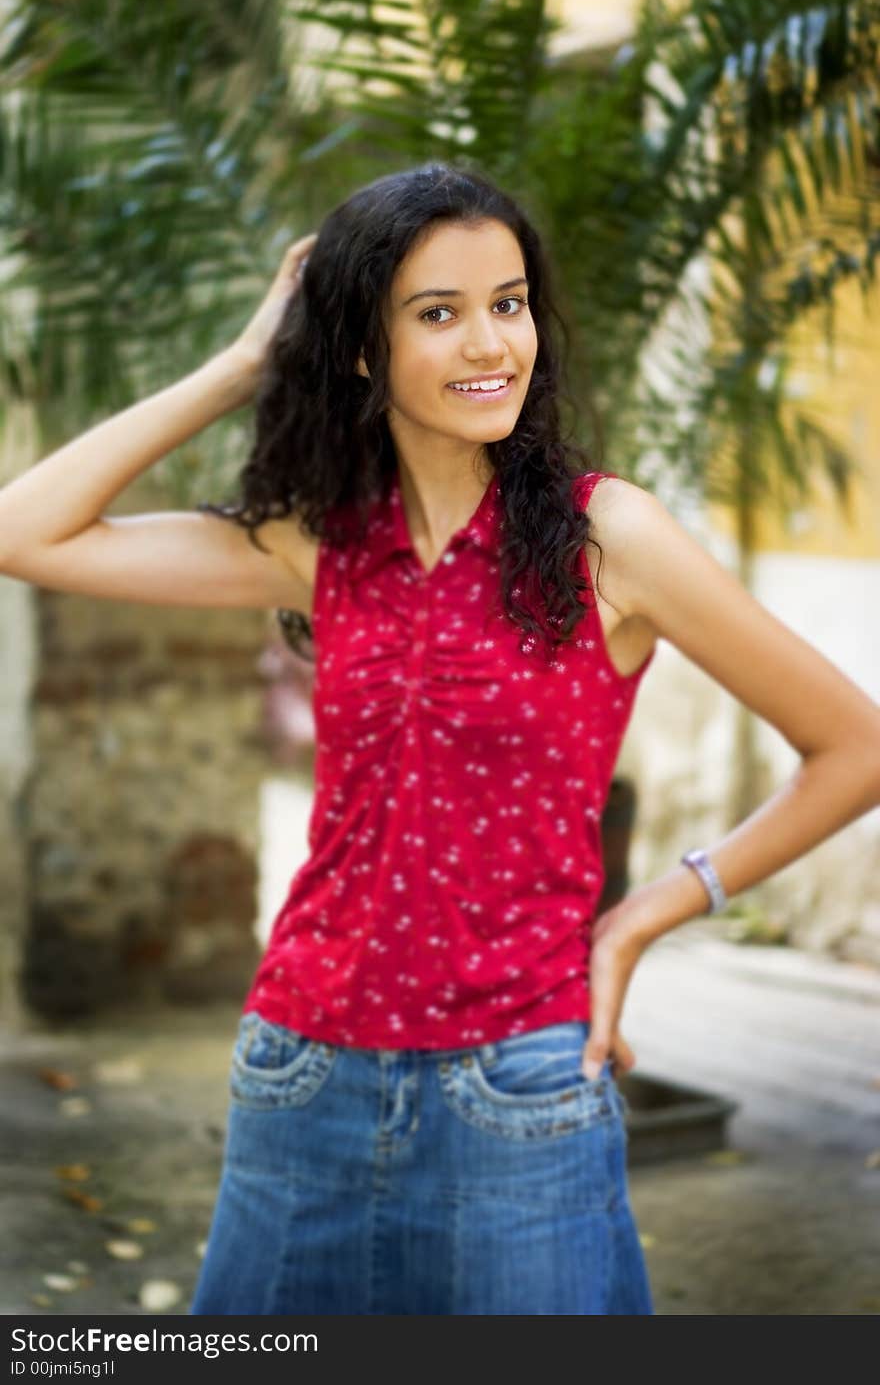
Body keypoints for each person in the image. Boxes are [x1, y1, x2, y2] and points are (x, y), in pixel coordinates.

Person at [1, 162, 879, 1317]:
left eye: (508, 304)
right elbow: (25, 532)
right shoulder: (320, 542)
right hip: (299, 1073)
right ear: (363, 349)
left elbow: (852, 744)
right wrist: (240, 365)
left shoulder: (605, 537)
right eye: (438, 312)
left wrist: (639, 920)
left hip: (521, 1085)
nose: (490, 344)